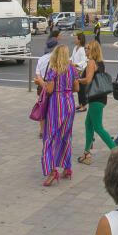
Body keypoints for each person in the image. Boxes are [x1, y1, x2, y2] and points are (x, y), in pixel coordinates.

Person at [34, 44, 79, 186]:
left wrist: (40, 81)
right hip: (70, 103)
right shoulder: (72, 69)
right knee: (66, 136)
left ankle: (52, 171)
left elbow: (49, 90)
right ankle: (67, 168)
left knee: (49, 137)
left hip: (56, 104)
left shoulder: (54, 70)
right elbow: (76, 87)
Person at [77, 40, 116, 165]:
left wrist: (77, 80)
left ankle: (116, 151)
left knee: (98, 127)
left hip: (95, 99)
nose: (85, 50)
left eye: (88, 48)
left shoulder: (91, 62)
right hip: (100, 98)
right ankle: (86, 153)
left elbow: (88, 80)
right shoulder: (100, 63)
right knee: (88, 124)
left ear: (93, 50)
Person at [72, 32, 89, 112]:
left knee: (82, 89)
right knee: (78, 89)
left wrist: (75, 65)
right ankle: (80, 104)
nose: (74, 39)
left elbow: (84, 61)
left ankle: (84, 105)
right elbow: (72, 57)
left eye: (76, 38)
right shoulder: (75, 48)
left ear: (79, 40)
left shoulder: (82, 49)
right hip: (76, 71)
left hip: (82, 71)